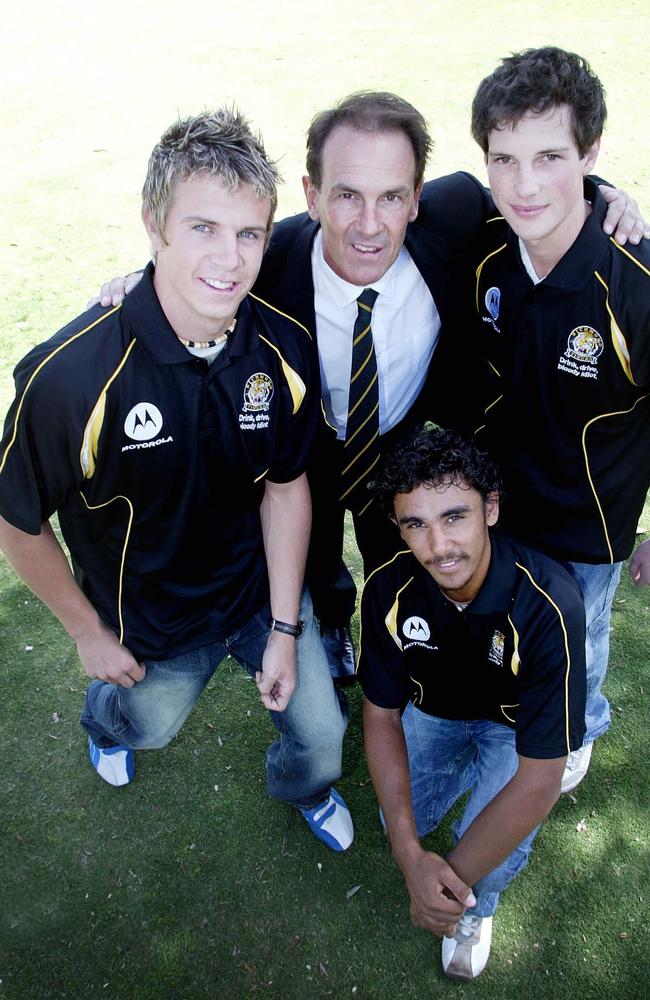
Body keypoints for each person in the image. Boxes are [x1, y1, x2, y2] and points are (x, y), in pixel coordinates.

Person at [91, 92, 646, 686]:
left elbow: (537, 190)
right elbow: (201, 262)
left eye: (391, 197)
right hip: (307, 445)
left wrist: (607, 196)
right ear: (311, 194)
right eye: (347, 195)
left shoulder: (455, 216)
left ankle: (407, 642)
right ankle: (331, 624)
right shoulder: (267, 260)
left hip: (403, 439)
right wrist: (145, 278)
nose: (369, 224)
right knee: (313, 550)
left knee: (406, 550)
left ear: (416, 197)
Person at [0, 109, 353, 853]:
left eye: (249, 233)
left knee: (323, 739)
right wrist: (86, 634)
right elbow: (16, 521)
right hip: (152, 621)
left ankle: (304, 786)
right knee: (148, 726)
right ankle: (107, 717)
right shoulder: (68, 378)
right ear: (153, 224)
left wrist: (286, 629)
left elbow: (286, 489)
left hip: (255, 594)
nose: (229, 258)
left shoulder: (282, 349)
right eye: (202, 228)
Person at [470, 46, 650, 791]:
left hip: (593, 518)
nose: (525, 184)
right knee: (512, 613)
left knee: (582, 628)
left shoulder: (635, 282)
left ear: (591, 151)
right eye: (504, 159)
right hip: (503, 500)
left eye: (550, 156)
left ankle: (584, 720)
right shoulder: (485, 249)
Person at [358, 426, 586, 981]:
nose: (438, 547)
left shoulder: (550, 602)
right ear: (397, 526)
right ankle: (456, 801)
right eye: (416, 524)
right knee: (404, 822)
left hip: (513, 731)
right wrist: (412, 857)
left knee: (490, 856)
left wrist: (444, 888)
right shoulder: (388, 589)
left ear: (491, 509)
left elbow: (540, 779)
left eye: (454, 516)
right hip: (434, 714)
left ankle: (474, 910)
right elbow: (381, 714)